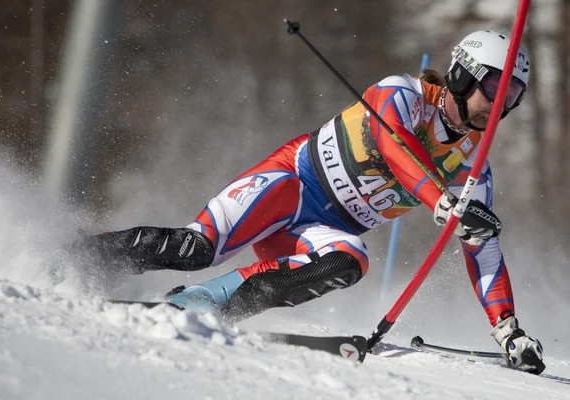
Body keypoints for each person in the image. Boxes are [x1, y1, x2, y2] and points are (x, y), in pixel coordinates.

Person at [72, 30, 543, 370]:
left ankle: (203, 305)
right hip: (290, 184)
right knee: (196, 249)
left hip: (322, 230)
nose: (502, 104)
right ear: (463, 76)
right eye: (495, 88)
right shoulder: (401, 93)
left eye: (513, 96)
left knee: (350, 259)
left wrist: (508, 330)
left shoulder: (472, 167)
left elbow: (483, 247)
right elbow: (393, 146)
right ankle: (79, 257)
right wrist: (439, 201)